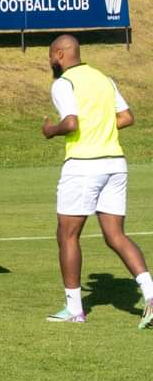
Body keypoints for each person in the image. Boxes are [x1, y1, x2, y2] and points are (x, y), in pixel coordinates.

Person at [41, 35, 153, 327]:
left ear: (60, 54)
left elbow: (71, 123)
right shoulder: (104, 79)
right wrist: (100, 126)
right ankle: (151, 296)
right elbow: (127, 117)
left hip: (83, 165)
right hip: (115, 163)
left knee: (67, 235)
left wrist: (51, 130)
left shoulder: (64, 83)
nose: (51, 61)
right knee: (116, 235)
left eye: (51, 56)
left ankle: (74, 309)